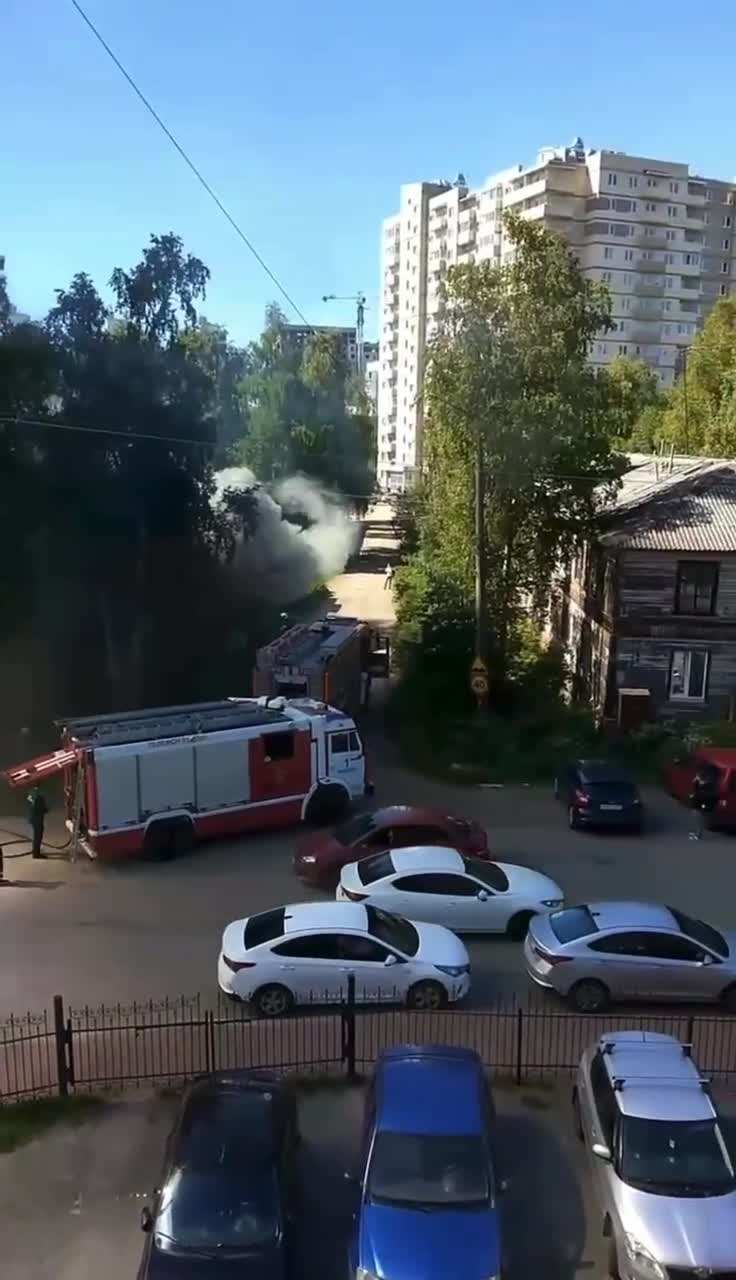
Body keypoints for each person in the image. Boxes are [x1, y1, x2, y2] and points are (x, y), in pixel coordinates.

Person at [689, 765, 719, 840]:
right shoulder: (701, 782)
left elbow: (707, 793)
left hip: (704, 802)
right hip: (699, 802)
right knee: (697, 816)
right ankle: (698, 832)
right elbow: (696, 789)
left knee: (699, 817)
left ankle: (698, 833)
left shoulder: (709, 784)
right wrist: (696, 782)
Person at [28, 785, 48, 859]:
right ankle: (36, 854)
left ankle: (36, 851)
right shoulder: (39, 797)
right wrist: (45, 809)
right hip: (38, 820)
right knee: (38, 837)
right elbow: (41, 809)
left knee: (36, 836)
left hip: (33, 819)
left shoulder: (32, 793)